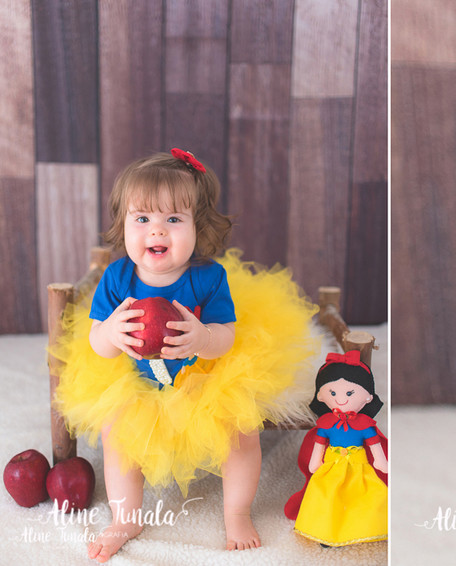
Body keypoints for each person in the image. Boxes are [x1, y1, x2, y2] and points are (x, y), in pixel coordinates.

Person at [52, 149, 320, 562]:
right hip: (139, 382)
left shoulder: (207, 277)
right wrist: (112, 334)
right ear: (122, 224)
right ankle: (126, 517)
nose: (156, 232)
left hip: (204, 380)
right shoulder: (118, 277)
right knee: (116, 433)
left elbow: (226, 336)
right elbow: (94, 342)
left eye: (173, 220)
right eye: (142, 219)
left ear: (200, 227)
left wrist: (201, 338)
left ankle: (237, 513)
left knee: (240, 433)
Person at [286, 350, 389, 547]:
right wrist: (315, 460)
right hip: (331, 465)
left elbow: (374, 444)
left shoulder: (365, 425)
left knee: (362, 495)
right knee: (327, 495)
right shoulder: (325, 424)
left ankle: (366, 528)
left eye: (350, 393)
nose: (341, 398)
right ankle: (325, 531)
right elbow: (319, 443)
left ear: (367, 397)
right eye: (332, 393)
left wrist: (381, 460)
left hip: (359, 466)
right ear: (321, 396)